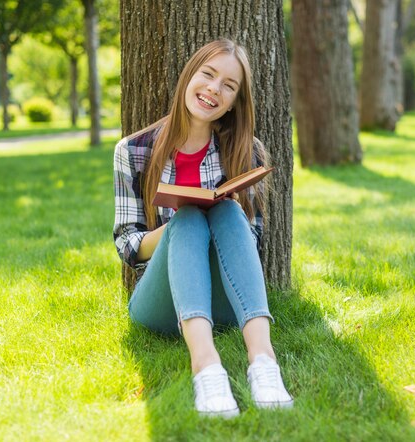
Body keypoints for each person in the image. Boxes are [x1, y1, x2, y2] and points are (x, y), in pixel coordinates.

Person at [113, 39, 293, 418]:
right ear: (188, 77)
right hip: (161, 303)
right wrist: (183, 216)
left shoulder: (249, 152)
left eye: (229, 86)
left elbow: (252, 240)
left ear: (233, 103)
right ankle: (206, 367)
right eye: (208, 75)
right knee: (190, 217)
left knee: (228, 214)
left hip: (227, 300)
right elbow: (128, 246)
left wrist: (220, 208)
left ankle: (264, 362)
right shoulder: (133, 150)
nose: (214, 89)